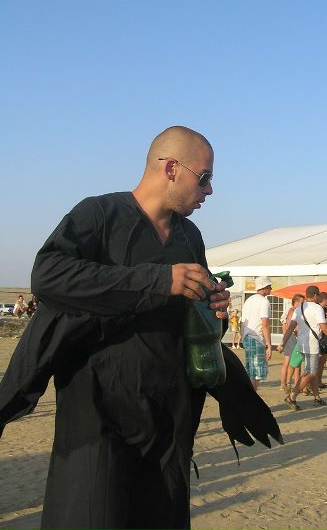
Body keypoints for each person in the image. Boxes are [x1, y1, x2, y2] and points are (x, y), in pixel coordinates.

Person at [0, 126, 283, 529]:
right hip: (99, 416)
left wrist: (211, 309)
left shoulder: (190, 236)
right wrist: (159, 279)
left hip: (169, 418)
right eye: (204, 178)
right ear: (171, 168)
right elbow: (49, 276)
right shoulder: (99, 215)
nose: (210, 190)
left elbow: (189, 322)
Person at [276, 285, 327, 410]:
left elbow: (290, 328)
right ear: (316, 295)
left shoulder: (299, 308)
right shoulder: (317, 308)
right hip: (312, 345)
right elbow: (324, 327)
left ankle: (317, 398)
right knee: (311, 373)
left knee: (312, 372)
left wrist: (282, 343)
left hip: (301, 343)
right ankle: (292, 397)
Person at [240, 276, 273, 391]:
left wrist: (242, 337)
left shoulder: (249, 300)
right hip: (256, 338)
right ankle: (251, 397)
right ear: (264, 287)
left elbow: (243, 322)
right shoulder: (264, 301)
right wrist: (269, 345)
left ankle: (249, 396)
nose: (271, 288)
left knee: (250, 371)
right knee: (257, 372)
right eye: (269, 286)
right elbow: (265, 324)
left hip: (247, 337)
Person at [279, 294, 303, 392]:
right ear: (296, 302)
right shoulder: (293, 311)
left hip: (290, 337)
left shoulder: (291, 310)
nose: (303, 304)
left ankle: (286, 384)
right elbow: (292, 326)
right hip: (292, 337)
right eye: (301, 302)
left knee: (291, 361)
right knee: (292, 362)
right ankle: (287, 384)